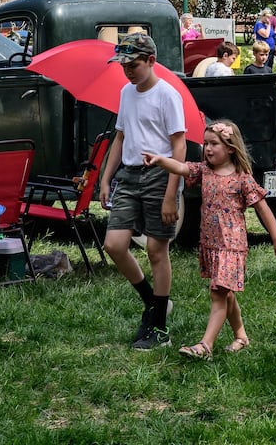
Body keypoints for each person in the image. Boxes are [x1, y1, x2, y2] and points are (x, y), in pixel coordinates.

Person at [143, 120, 276, 358]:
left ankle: (205, 346)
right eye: (205, 144)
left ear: (230, 147)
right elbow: (181, 168)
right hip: (211, 245)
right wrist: (161, 160)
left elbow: (263, 209)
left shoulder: (242, 178)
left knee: (218, 294)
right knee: (226, 293)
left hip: (232, 247)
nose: (207, 149)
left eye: (214, 144)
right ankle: (241, 336)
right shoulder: (205, 171)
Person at [98, 33, 186, 350]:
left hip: (159, 176)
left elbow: (179, 146)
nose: (128, 71)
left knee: (155, 251)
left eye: (133, 64)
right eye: (123, 65)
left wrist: (170, 194)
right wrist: (106, 179)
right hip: (129, 175)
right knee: (114, 244)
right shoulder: (126, 92)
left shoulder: (167, 95)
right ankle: (154, 301)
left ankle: (159, 329)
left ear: (151, 61)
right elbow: (120, 138)